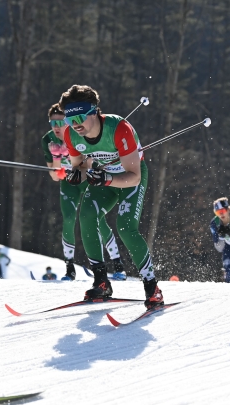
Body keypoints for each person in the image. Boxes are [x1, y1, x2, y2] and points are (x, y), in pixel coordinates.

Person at [59, 84, 163, 308]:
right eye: (69, 119)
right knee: (86, 215)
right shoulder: (70, 135)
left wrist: (105, 178)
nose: (75, 124)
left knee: (125, 227)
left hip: (129, 179)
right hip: (104, 178)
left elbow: (134, 176)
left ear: (94, 111)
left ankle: (151, 286)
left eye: (79, 117)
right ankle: (101, 281)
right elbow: (80, 166)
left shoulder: (119, 128)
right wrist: (78, 174)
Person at [42, 103, 125, 281]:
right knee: (69, 219)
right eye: (52, 123)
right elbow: (55, 175)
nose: (57, 128)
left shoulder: (79, 134)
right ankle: (69, 268)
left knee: (97, 220)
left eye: (61, 122)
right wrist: (57, 158)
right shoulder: (48, 140)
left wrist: (78, 162)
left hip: (87, 180)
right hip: (69, 184)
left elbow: (92, 160)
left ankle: (117, 263)